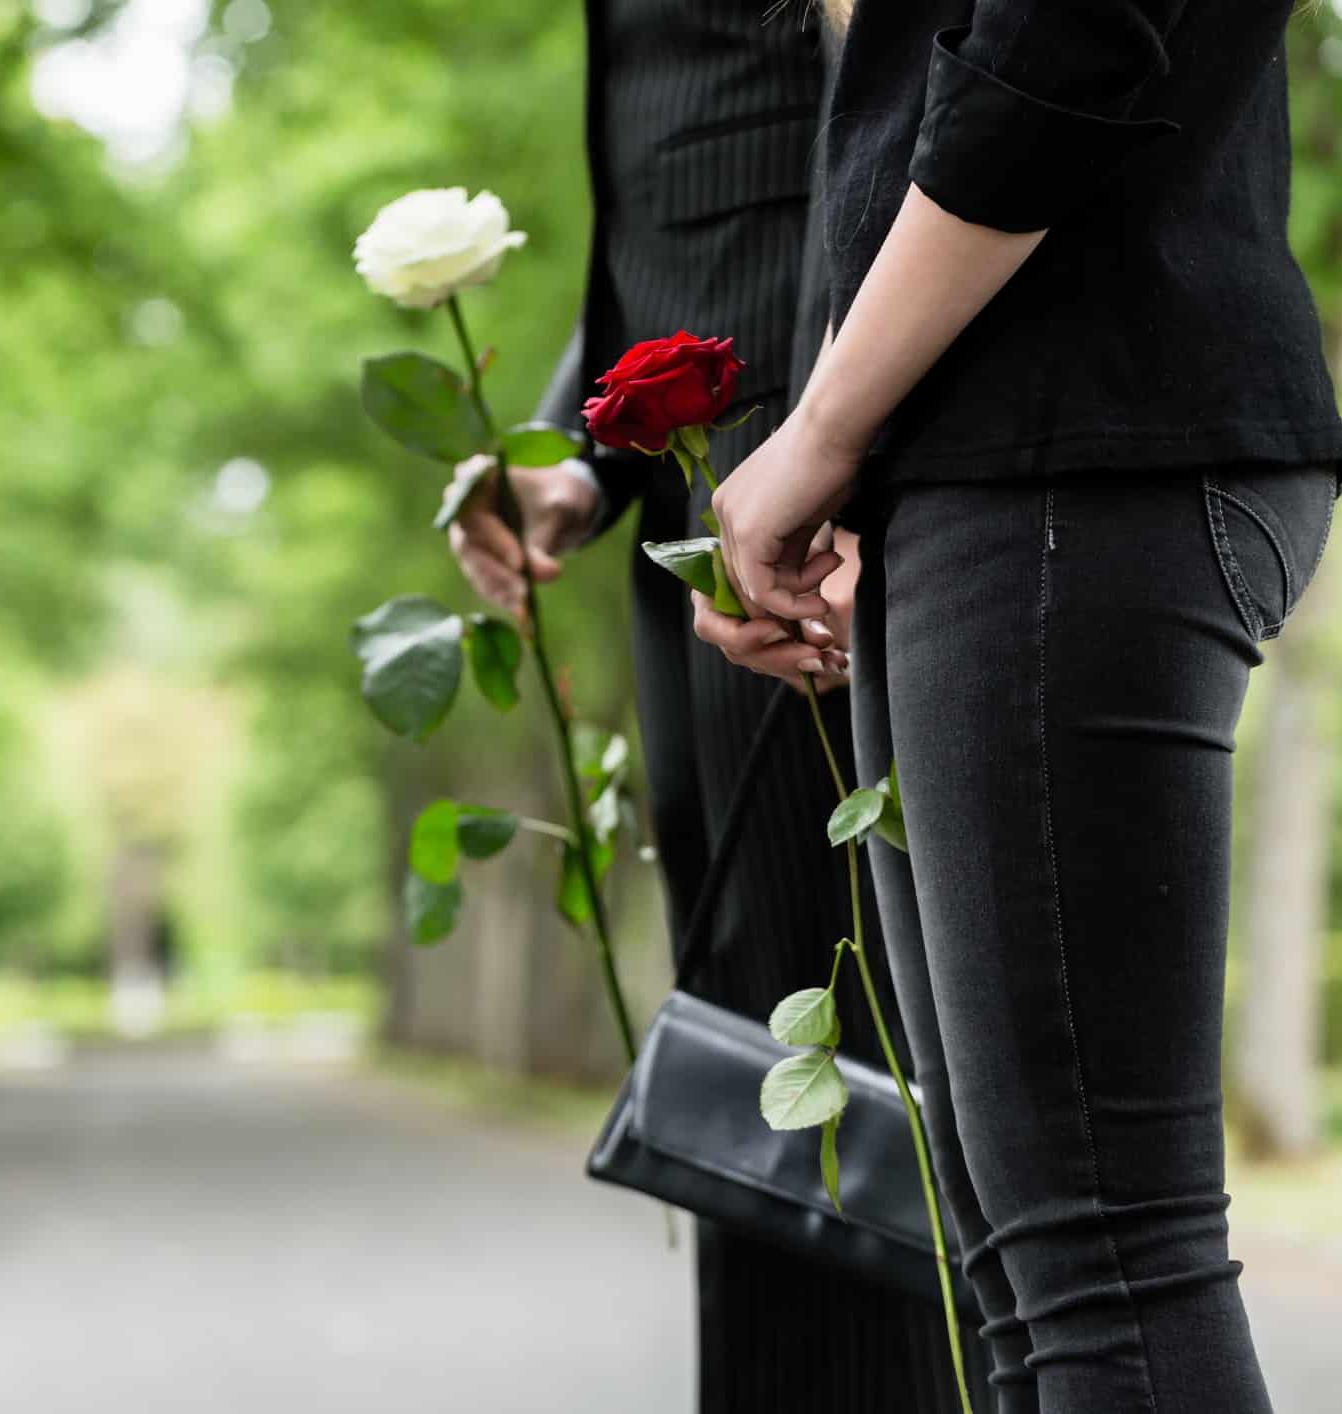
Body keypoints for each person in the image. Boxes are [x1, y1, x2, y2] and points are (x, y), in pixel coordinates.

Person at [692, 2, 1341, 1411]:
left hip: (1072, 444)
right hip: (999, 458)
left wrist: (822, 433)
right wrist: (843, 461)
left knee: (1098, 1268)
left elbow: (1067, 36)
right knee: (1019, 1278)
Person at [447, 2, 988, 1409]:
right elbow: (685, 196)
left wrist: (853, 464)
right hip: (707, 513)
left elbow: (903, 122)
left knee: (867, 1087)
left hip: (822, 518)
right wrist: (585, 455)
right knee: (769, 1082)